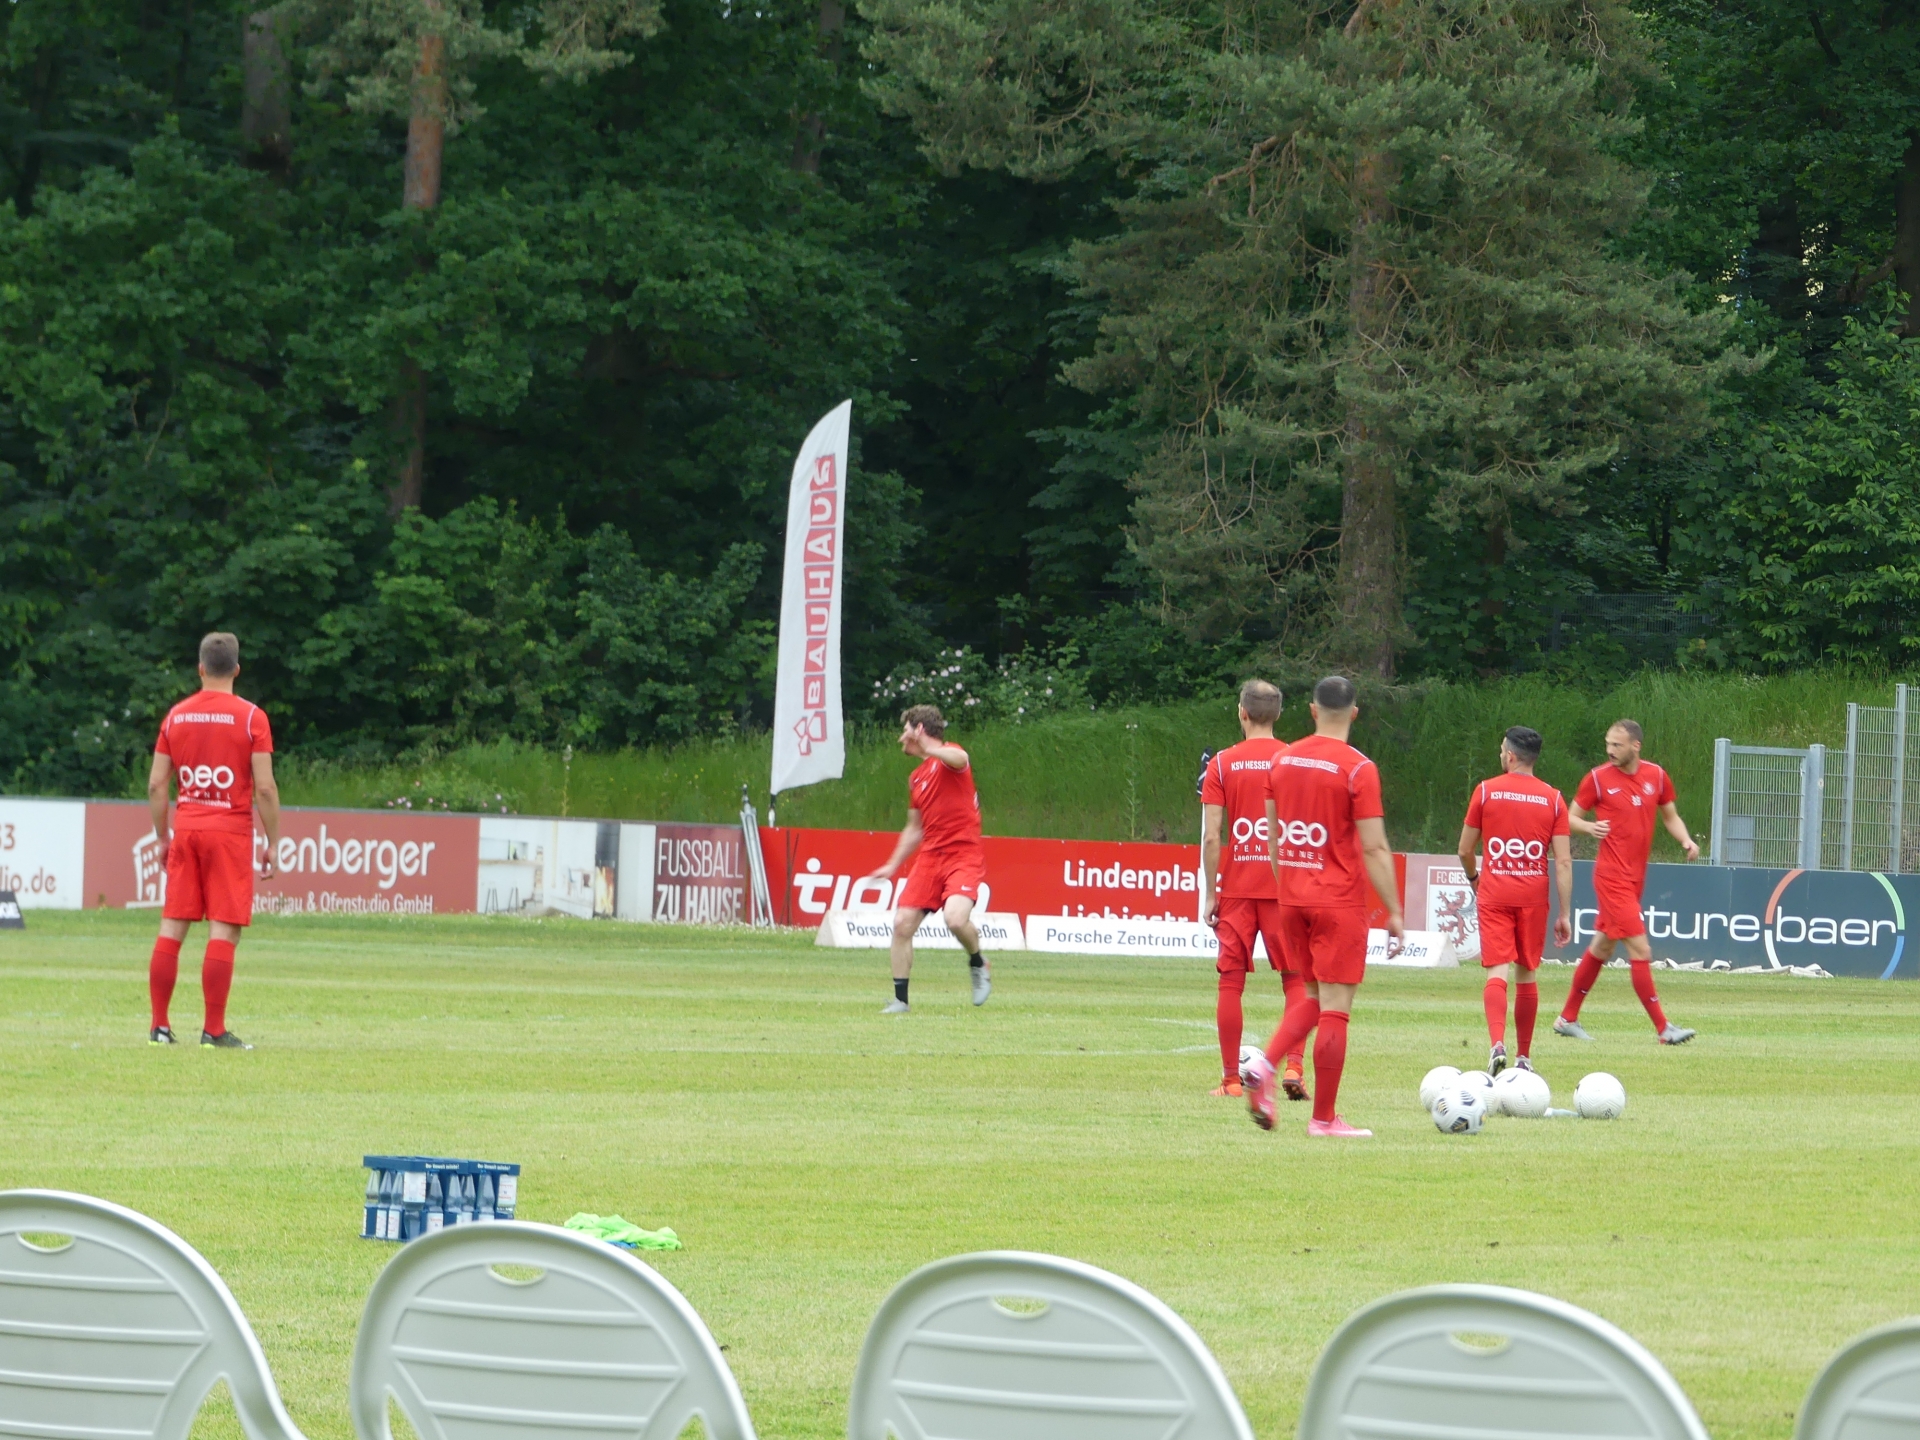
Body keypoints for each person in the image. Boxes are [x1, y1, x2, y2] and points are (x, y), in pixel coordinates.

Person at [1244, 675, 1404, 1137]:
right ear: (1354, 713)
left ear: (1312, 711)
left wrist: (1288, 887)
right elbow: (1374, 847)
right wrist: (1394, 910)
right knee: (1335, 1008)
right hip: (1338, 901)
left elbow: (1274, 836)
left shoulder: (1281, 759)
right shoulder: (1358, 769)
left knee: (1313, 997)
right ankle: (1323, 1119)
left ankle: (1265, 1067)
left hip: (1292, 896)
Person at [147, 632, 279, 1049]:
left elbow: (156, 785)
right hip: (229, 832)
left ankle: (159, 1027)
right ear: (236, 670)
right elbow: (265, 789)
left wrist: (163, 836)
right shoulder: (251, 717)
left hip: (187, 828)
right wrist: (273, 841)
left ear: (200, 669)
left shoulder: (175, 717)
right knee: (223, 929)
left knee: (173, 926)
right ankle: (213, 1030)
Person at [1554, 718, 1700, 1045]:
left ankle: (1567, 1018)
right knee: (1640, 948)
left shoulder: (1656, 776)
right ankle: (1664, 1029)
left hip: (1636, 879)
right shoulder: (1597, 778)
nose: (1610, 750)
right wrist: (1589, 827)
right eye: (1608, 744)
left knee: (1603, 946)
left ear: (1636, 746)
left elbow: (1670, 816)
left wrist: (1686, 840)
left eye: (1617, 745)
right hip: (1612, 877)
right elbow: (1568, 817)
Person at [1456, 726, 1590, 1076]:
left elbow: (1465, 849)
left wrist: (1474, 878)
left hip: (1494, 892)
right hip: (1532, 895)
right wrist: (1564, 913)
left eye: (1502, 750)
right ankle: (1524, 1057)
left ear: (1511, 756)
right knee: (1527, 973)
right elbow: (1563, 861)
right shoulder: (1553, 798)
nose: (1501, 754)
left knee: (1497, 969)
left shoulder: (1486, 791)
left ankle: (1497, 1044)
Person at [1199, 680, 1306, 1099]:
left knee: (1231, 982)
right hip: (1286, 887)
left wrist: (1211, 893)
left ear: (1241, 712)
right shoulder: (1295, 760)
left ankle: (1230, 1081)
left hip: (1239, 887)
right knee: (1296, 980)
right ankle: (1294, 1067)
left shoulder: (1222, 763)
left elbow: (1212, 836)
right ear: (1278, 715)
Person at [859, 705, 991, 1014]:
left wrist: (931, 749)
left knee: (955, 919)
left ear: (919, 730)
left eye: (905, 730)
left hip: (963, 854)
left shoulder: (949, 757)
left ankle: (978, 962)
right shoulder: (916, 778)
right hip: (931, 856)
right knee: (902, 923)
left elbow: (961, 758)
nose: (900, 738)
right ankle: (900, 1001)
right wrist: (893, 864)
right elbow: (914, 828)